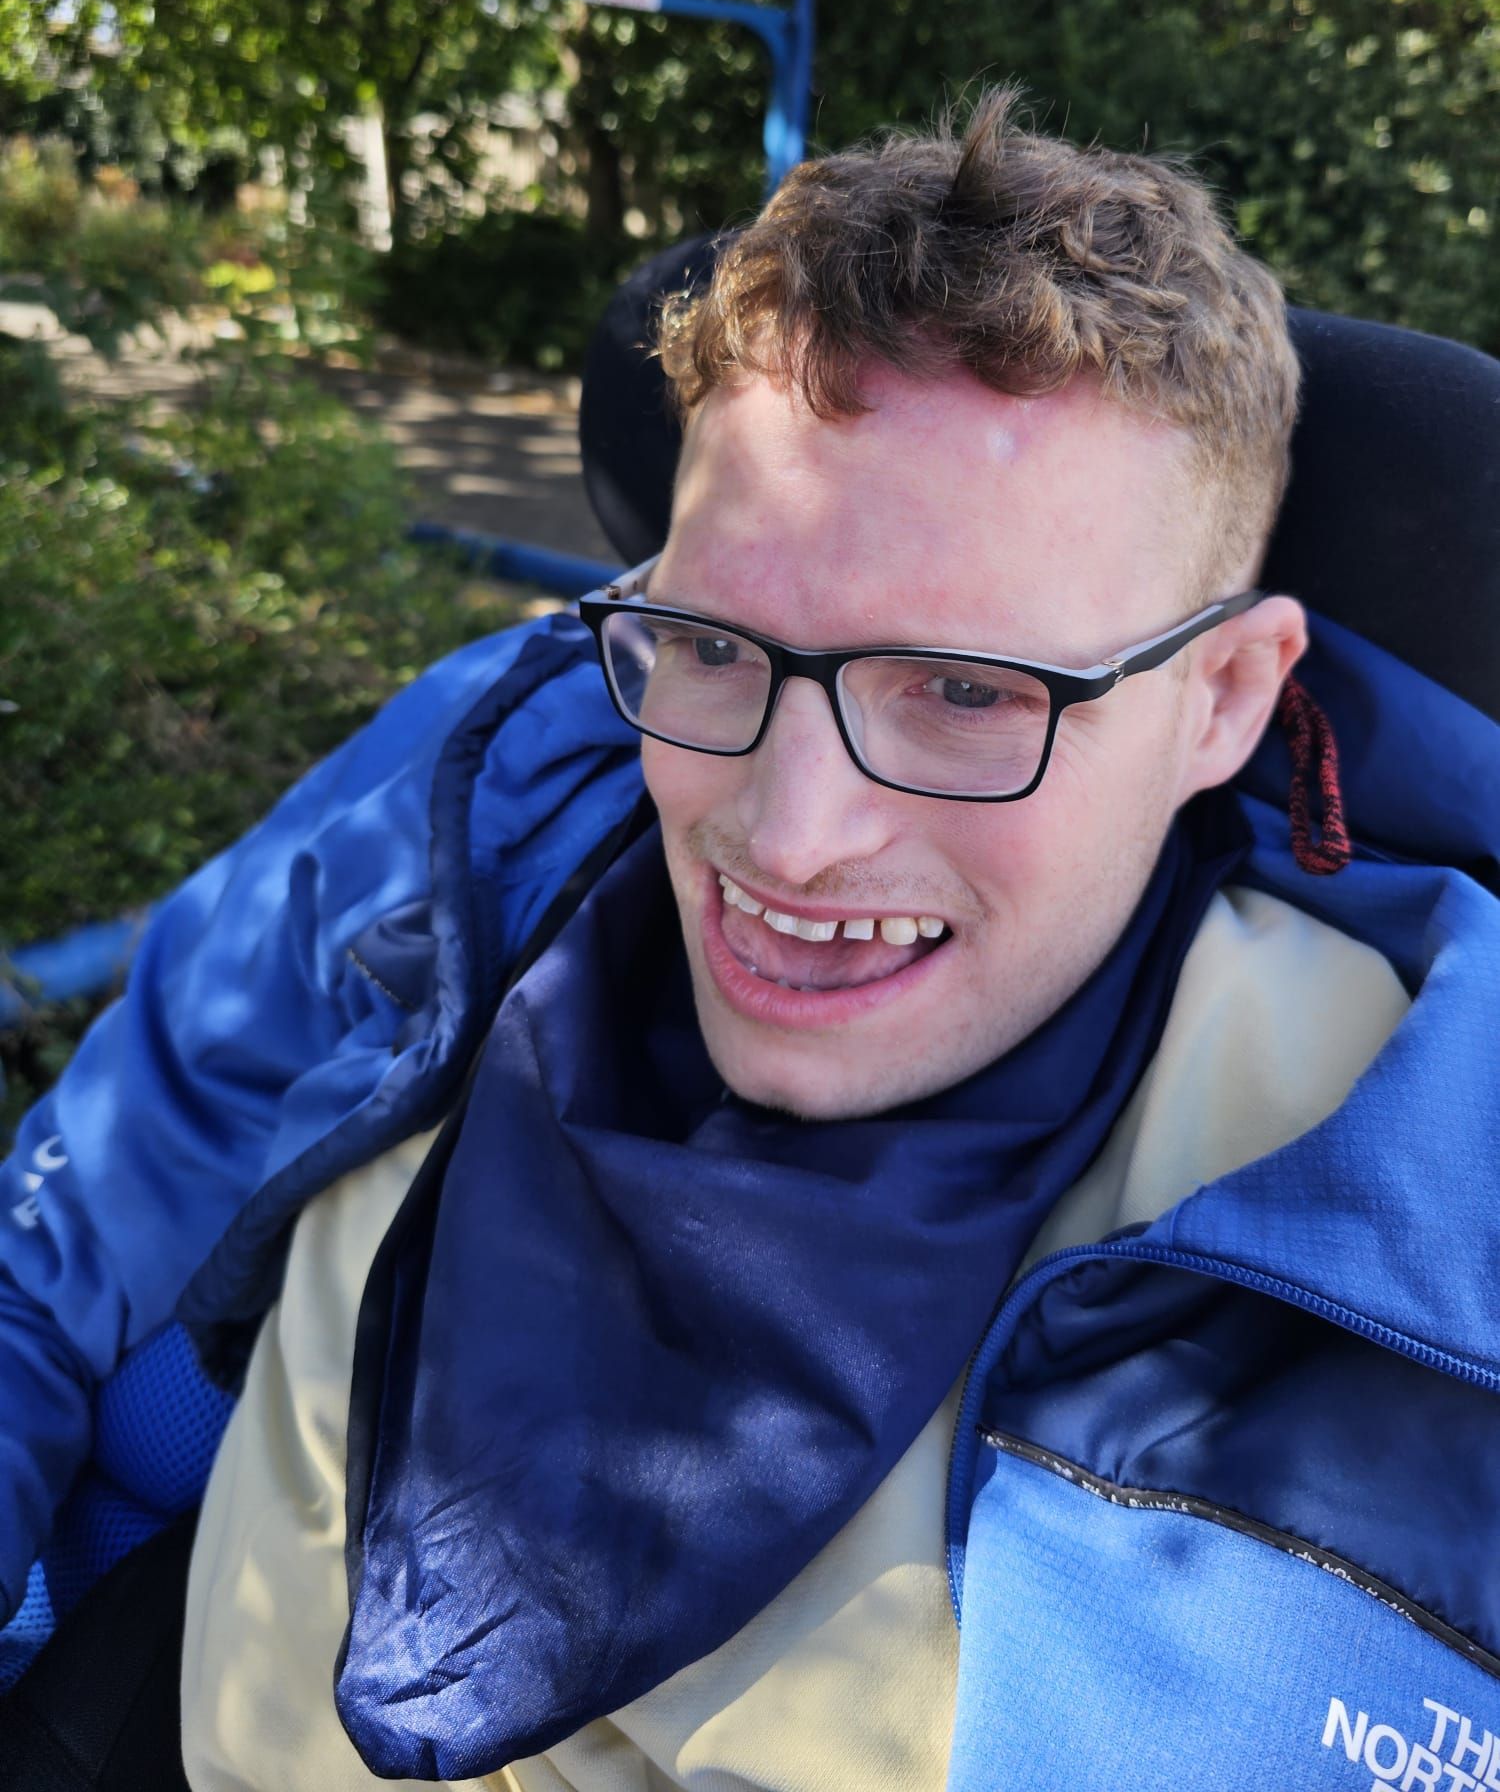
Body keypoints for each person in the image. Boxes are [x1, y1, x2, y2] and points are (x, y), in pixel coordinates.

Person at [2, 89, 1498, 1791]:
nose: (784, 835)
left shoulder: (1409, 1182)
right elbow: (51, 1247)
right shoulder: (508, 782)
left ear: (1225, 696)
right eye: (714, 644)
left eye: (963, 692)